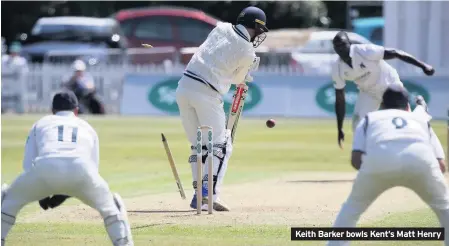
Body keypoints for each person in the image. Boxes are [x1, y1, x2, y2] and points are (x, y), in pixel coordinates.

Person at [1, 91, 133, 246]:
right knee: (112, 208)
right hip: (82, 170)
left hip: (45, 168)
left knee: (7, 200)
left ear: (52, 110)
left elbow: (28, 164)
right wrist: (65, 193)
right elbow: (93, 169)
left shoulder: (41, 123)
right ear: (76, 111)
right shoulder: (87, 127)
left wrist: (40, 192)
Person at [327, 85, 448, 246]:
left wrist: (376, 171)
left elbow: (356, 160)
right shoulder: (420, 120)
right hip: (420, 161)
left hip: (378, 162)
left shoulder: (370, 118)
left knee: (351, 210)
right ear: (407, 106)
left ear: (382, 105)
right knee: (445, 209)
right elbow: (441, 165)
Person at [175, 6, 268, 211]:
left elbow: (214, 54)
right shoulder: (247, 51)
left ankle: (199, 191)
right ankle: (208, 194)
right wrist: (247, 73)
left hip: (183, 88)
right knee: (221, 145)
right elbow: (237, 80)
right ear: (255, 27)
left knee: (198, 144)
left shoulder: (220, 28)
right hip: (207, 94)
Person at [331, 31, 435, 148]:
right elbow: (340, 99)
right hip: (368, 92)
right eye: (337, 46)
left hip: (390, 86)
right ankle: (369, 156)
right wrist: (340, 128)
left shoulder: (364, 50)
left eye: (343, 44)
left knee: (407, 120)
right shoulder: (337, 67)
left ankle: (422, 109)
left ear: (349, 43)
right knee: (358, 125)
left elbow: (396, 53)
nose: (340, 49)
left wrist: (423, 66)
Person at [1, 42, 29, 113]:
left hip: (17, 85)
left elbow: (24, 73)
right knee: (4, 100)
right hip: (6, 84)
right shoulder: (4, 59)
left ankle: (19, 111)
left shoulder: (21, 61)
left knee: (18, 101)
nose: (14, 53)